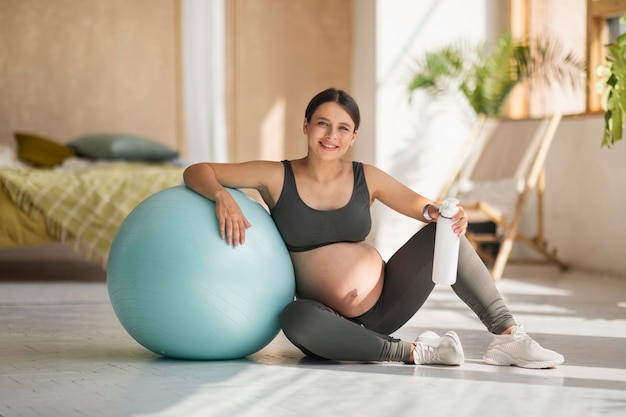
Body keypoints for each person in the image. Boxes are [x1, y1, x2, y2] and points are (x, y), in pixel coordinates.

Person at [183, 87, 564, 369]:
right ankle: (413, 352)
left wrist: (441, 212)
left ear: (353, 137)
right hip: (327, 321)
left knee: (444, 230)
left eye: (343, 128)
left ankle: (508, 337)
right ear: (306, 126)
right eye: (323, 124)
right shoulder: (276, 175)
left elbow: (419, 205)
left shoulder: (367, 177)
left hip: (388, 303)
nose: (331, 136)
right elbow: (197, 170)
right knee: (294, 319)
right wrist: (221, 195)